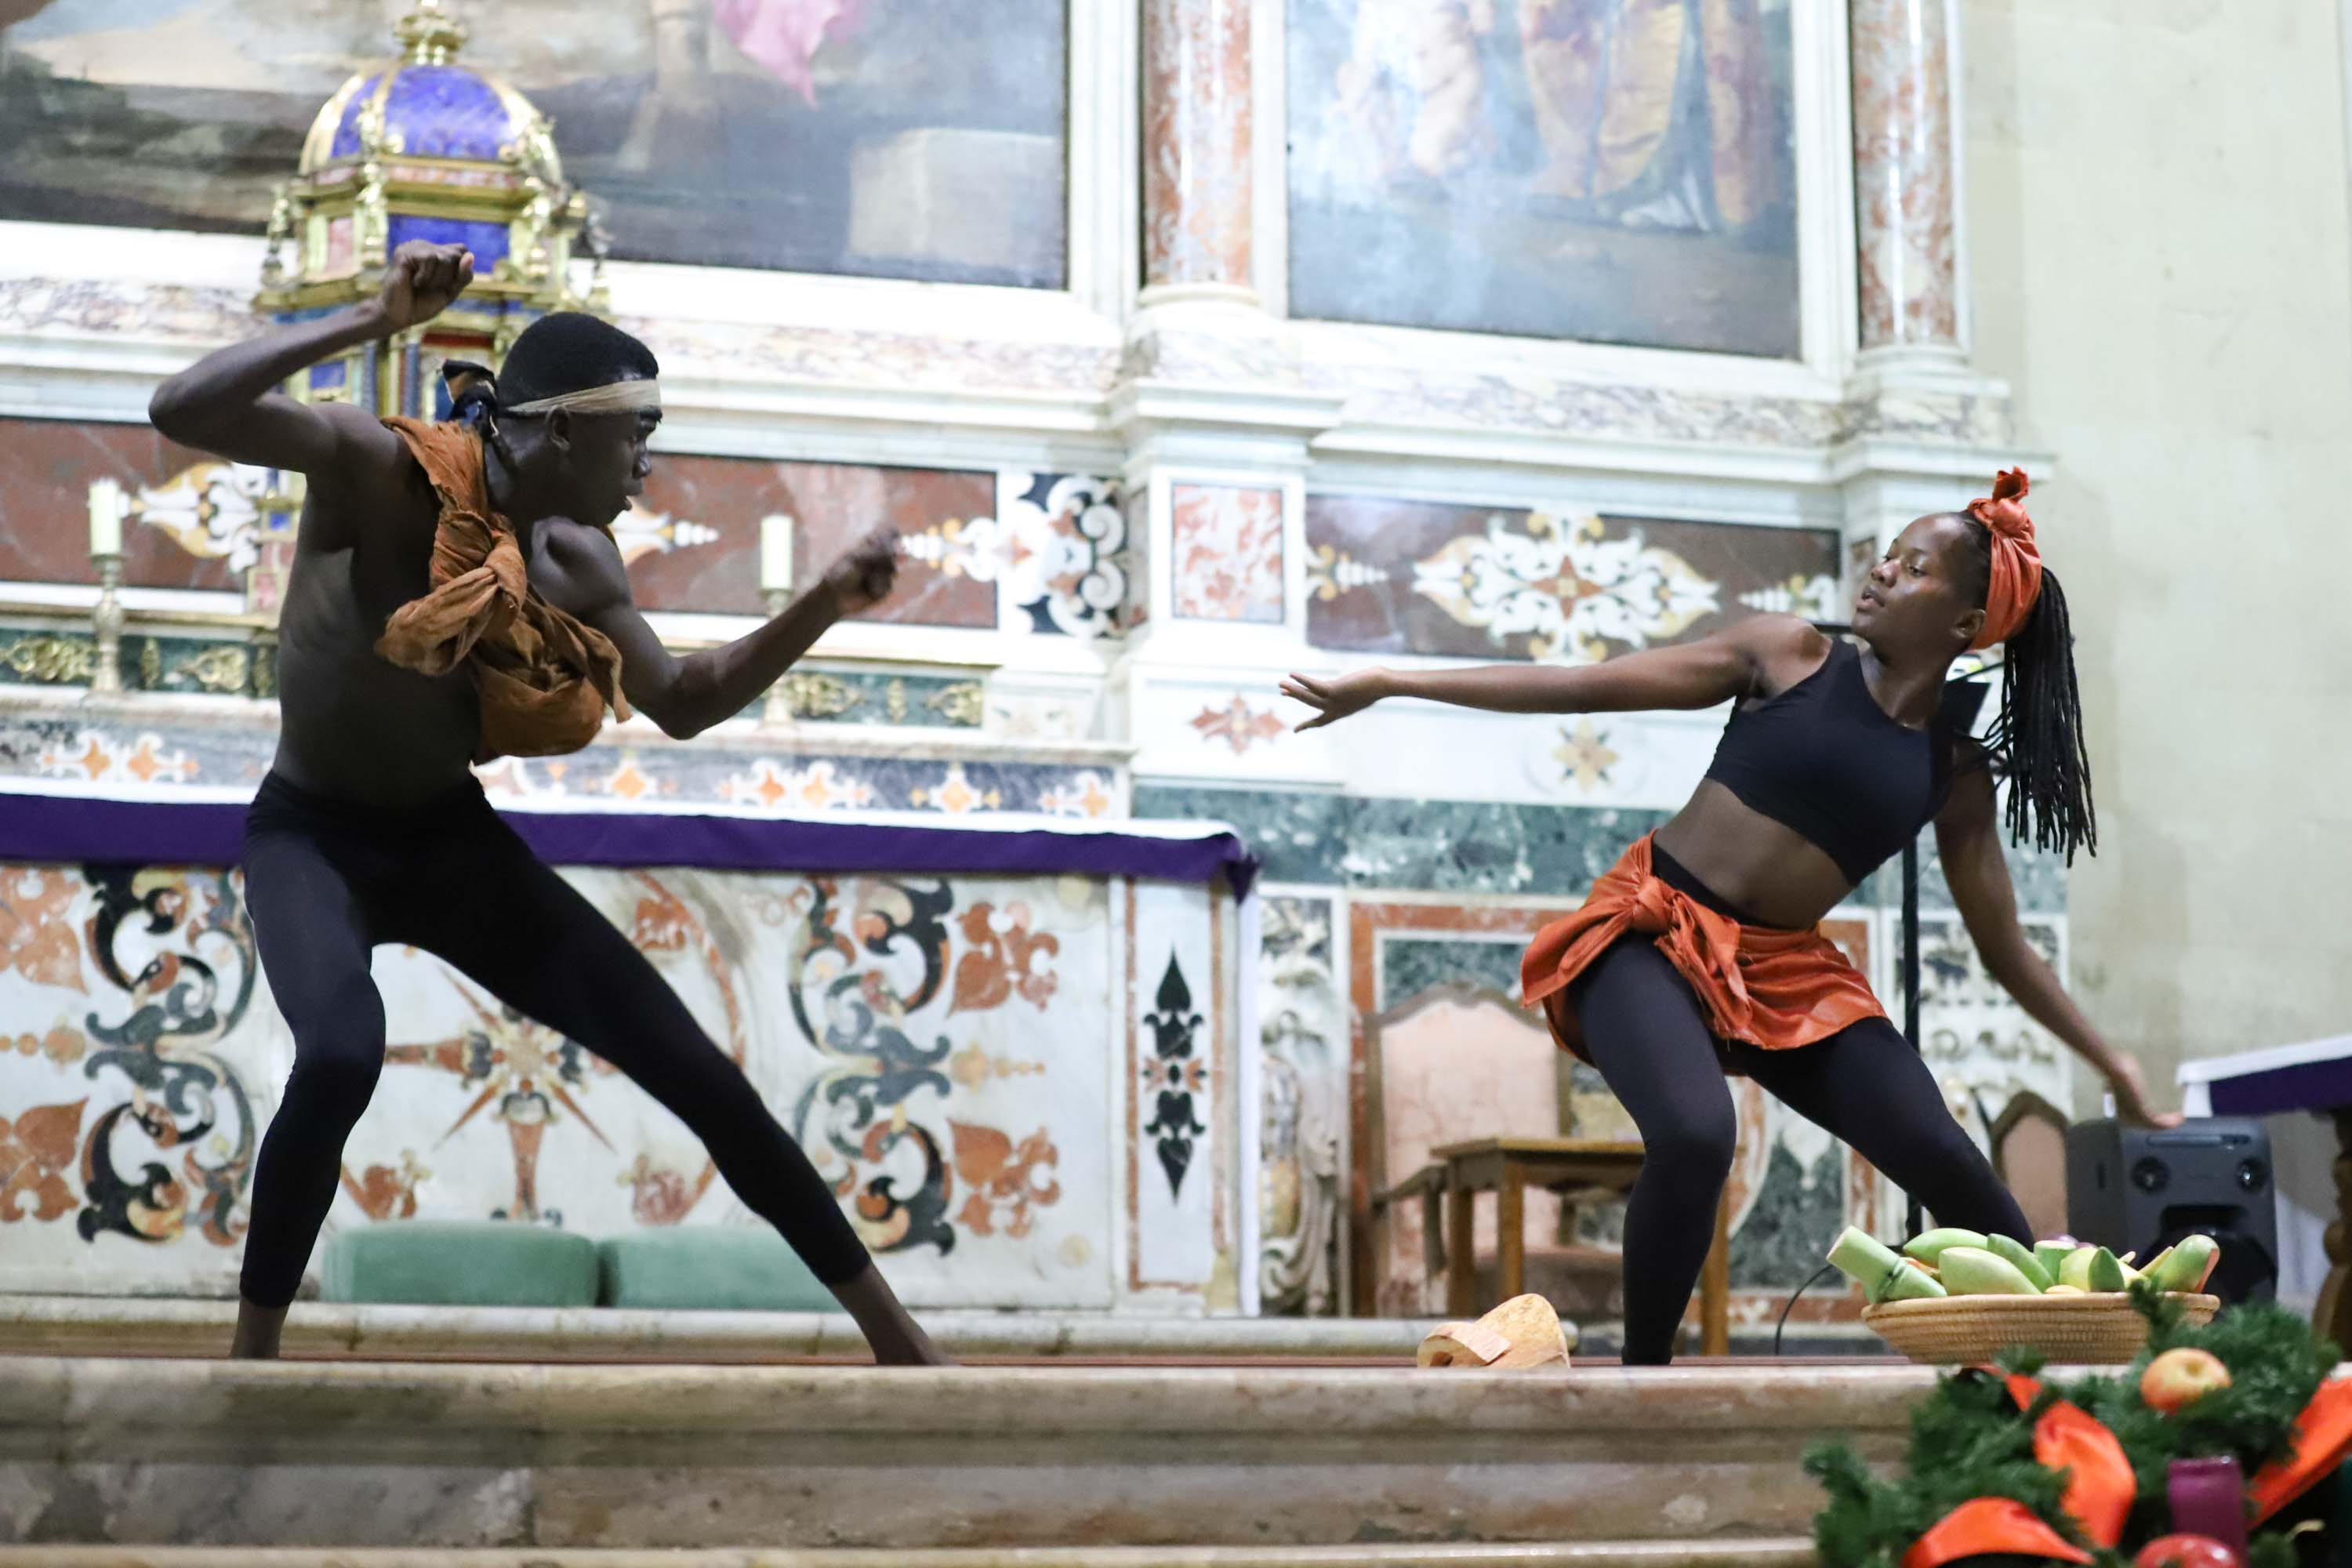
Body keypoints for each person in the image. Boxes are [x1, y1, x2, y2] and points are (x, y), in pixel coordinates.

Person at [147, 240, 946, 1364]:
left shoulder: (577, 559)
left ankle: (900, 1342)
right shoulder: (382, 470)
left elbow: (682, 702)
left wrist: (825, 601)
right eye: (640, 437)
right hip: (313, 834)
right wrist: (372, 323)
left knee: (693, 1066)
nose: (648, 468)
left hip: (448, 844)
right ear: (564, 429)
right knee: (337, 1054)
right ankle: (253, 1364)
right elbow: (183, 406)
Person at [1283, 471, 2176, 1364]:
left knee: (1955, 1167)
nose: (1880, 571)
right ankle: (1643, 1383)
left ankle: (2032, 1393)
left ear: (1963, 624)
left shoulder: (1955, 771)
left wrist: (2116, 1063)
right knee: (1697, 1131)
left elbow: (2005, 948)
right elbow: (1584, 684)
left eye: (1913, 568)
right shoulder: (1787, 654)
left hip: (1784, 972)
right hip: (1652, 935)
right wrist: (1395, 680)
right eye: (1886, 555)